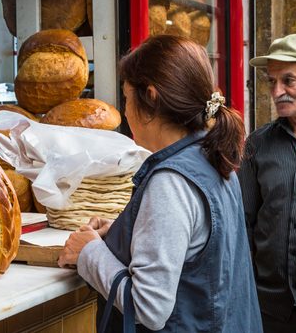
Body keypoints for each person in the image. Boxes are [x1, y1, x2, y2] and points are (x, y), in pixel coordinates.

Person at [57, 35, 262, 332]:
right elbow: (200, 248)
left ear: (150, 97)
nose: (125, 111)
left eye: (126, 97)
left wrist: (89, 252)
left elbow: (148, 307)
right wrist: (122, 232)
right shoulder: (212, 157)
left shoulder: (171, 181)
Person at [238, 34, 296, 333]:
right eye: (271, 81)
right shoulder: (257, 144)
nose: (278, 91)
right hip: (269, 311)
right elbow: (243, 225)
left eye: (289, 80)